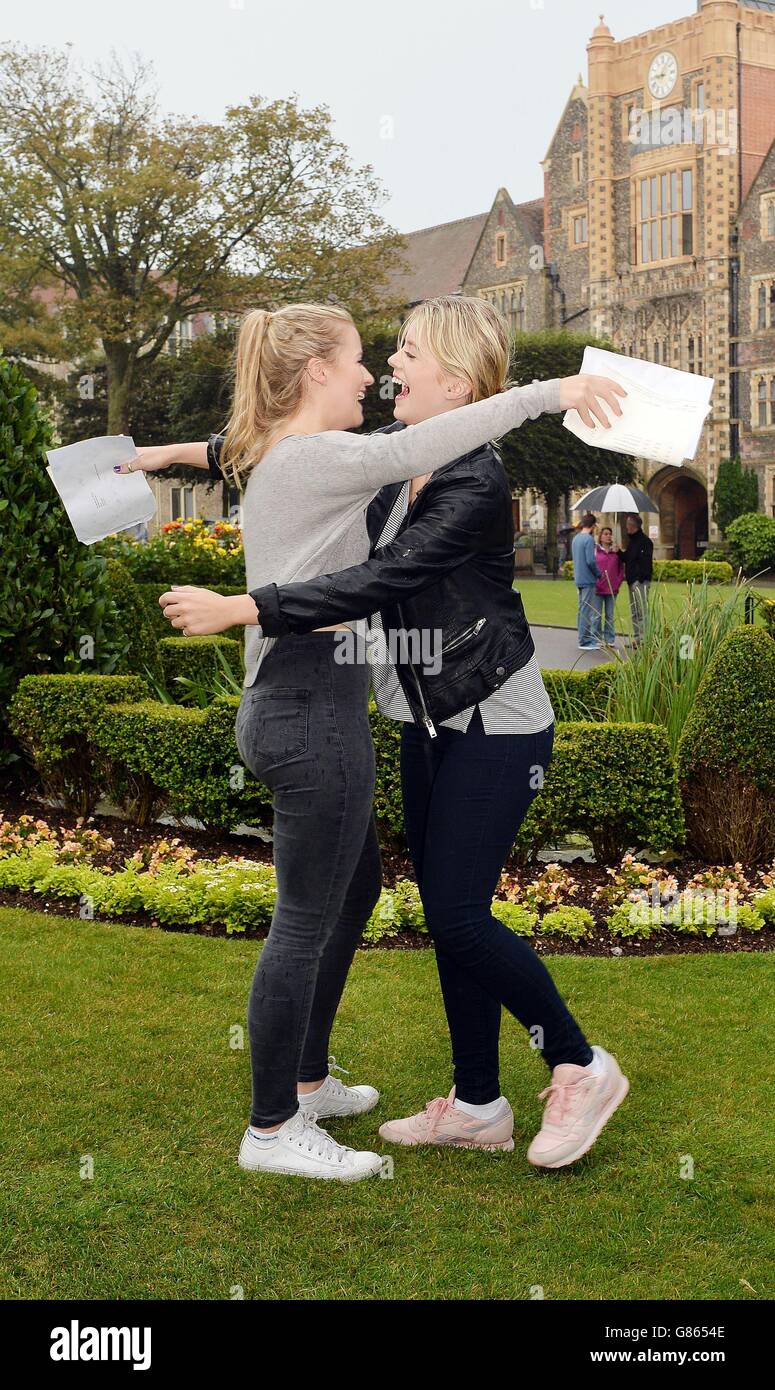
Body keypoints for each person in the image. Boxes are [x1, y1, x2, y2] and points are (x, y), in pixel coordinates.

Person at [119, 301, 625, 1181]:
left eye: (407, 352)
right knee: (445, 914)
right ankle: (476, 1106)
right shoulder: (385, 459)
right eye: (377, 352)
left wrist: (249, 606)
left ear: (457, 385)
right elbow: (274, 450)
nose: (387, 365)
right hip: (421, 719)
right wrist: (171, 453)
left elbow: (381, 576)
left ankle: (578, 1064)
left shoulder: (467, 482)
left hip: (490, 717)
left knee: (457, 915)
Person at [616, 513, 653, 645]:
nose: (626, 527)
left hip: (640, 581)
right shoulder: (632, 542)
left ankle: (645, 638)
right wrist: (619, 552)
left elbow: (645, 563)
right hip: (631, 581)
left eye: (628, 524)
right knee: (634, 611)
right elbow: (627, 558)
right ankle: (638, 637)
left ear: (633, 526)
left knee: (642, 610)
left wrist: (640, 579)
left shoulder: (645, 542)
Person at [571, 512, 602, 650]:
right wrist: (599, 573)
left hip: (579, 577)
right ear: (593, 525)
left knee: (582, 609)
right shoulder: (588, 539)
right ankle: (584, 640)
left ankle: (583, 638)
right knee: (586, 610)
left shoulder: (576, 538)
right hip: (588, 579)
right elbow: (590, 560)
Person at [593, 525, 625, 647]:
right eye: (605, 534)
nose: (608, 536)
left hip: (612, 589)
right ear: (600, 537)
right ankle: (597, 638)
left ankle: (609, 639)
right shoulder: (595, 551)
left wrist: (617, 582)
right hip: (598, 588)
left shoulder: (615, 552)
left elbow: (621, 570)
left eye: (609, 534)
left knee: (610, 616)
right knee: (596, 615)